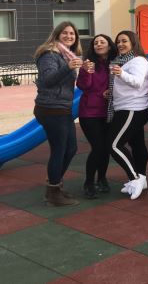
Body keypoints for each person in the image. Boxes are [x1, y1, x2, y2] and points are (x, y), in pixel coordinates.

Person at [33, 21, 83, 207]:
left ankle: (55, 185)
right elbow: (47, 80)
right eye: (65, 33)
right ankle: (53, 192)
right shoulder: (49, 54)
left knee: (71, 149)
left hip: (62, 108)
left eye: (72, 34)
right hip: (51, 108)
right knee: (59, 150)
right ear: (57, 34)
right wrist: (68, 67)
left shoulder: (65, 54)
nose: (69, 36)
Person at [108, 31, 148, 200]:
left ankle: (135, 178)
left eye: (124, 41)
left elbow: (137, 82)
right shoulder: (123, 61)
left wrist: (121, 74)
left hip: (133, 108)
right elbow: (123, 85)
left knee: (113, 145)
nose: (120, 44)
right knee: (137, 143)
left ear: (133, 42)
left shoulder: (138, 60)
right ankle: (143, 178)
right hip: (127, 107)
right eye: (118, 41)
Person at [77, 34, 117, 199]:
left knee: (106, 147)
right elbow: (83, 85)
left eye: (102, 42)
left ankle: (101, 178)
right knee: (98, 147)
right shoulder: (89, 64)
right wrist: (87, 72)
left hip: (109, 111)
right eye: (96, 43)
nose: (99, 44)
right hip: (90, 112)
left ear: (109, 46)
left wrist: (111, 91)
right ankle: (88, 182)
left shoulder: (115, 63)